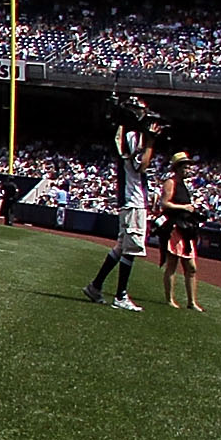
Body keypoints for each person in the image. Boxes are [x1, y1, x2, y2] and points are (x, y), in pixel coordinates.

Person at [84, 96, 157, 311]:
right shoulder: (134, 135)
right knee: (130, 249)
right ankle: (120, 295)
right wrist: (151, 141)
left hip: (132, 197)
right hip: (133, 199)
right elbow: (140, 166)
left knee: (121, 247)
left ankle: (95, 286)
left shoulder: (126, 133)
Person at [157, 151, 204, 311]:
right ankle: (169, 299)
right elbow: (164, 203)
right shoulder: (171, 183)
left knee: (191, 267)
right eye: (186, 166)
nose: (189, 169)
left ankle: (192, 302)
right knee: (172, 265)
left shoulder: (184, 185)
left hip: (187, 228)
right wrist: (184, 207)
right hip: (175, 228)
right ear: (178, 168)